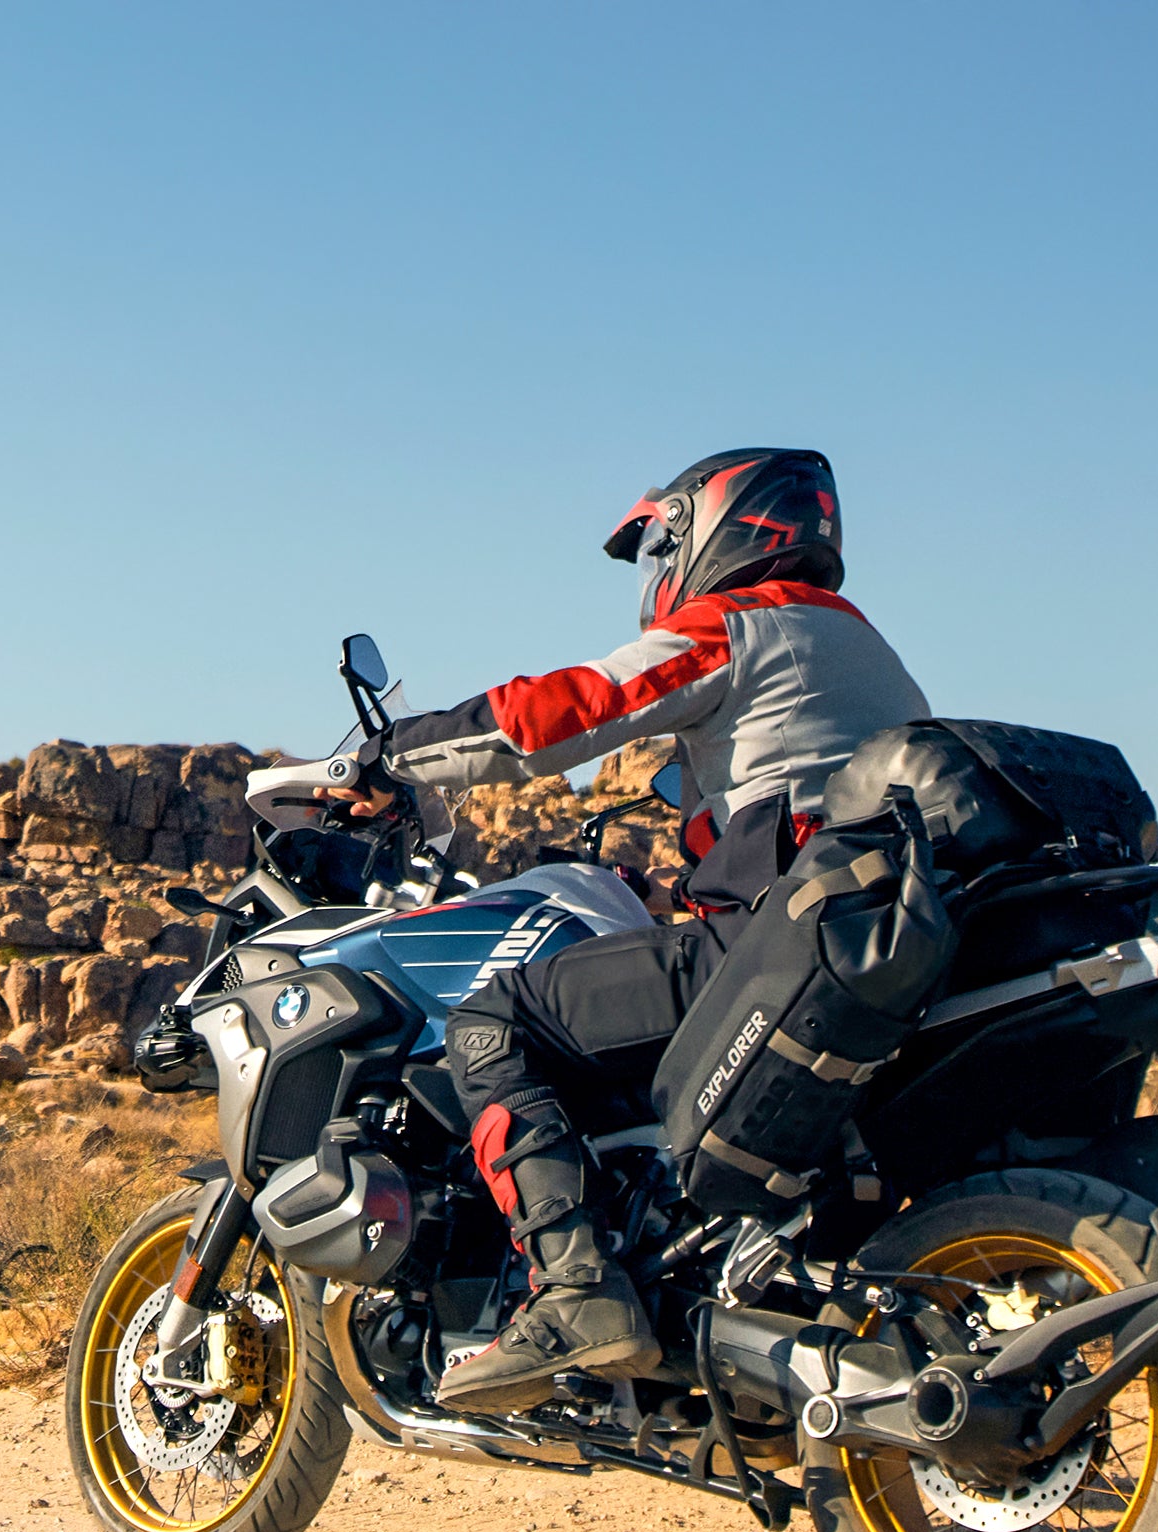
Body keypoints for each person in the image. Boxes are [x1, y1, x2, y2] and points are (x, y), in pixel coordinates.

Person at [327, 447, 931, 1412]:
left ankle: (573, 1288)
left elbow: (561, 713)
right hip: (866, 944)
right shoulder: (863, 649)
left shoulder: (744, 621)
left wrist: (394, 754)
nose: (657, 572)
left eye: (661, 546)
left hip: (781, 949)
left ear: (716, 527)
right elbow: (798, 808)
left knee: (495, 1021)